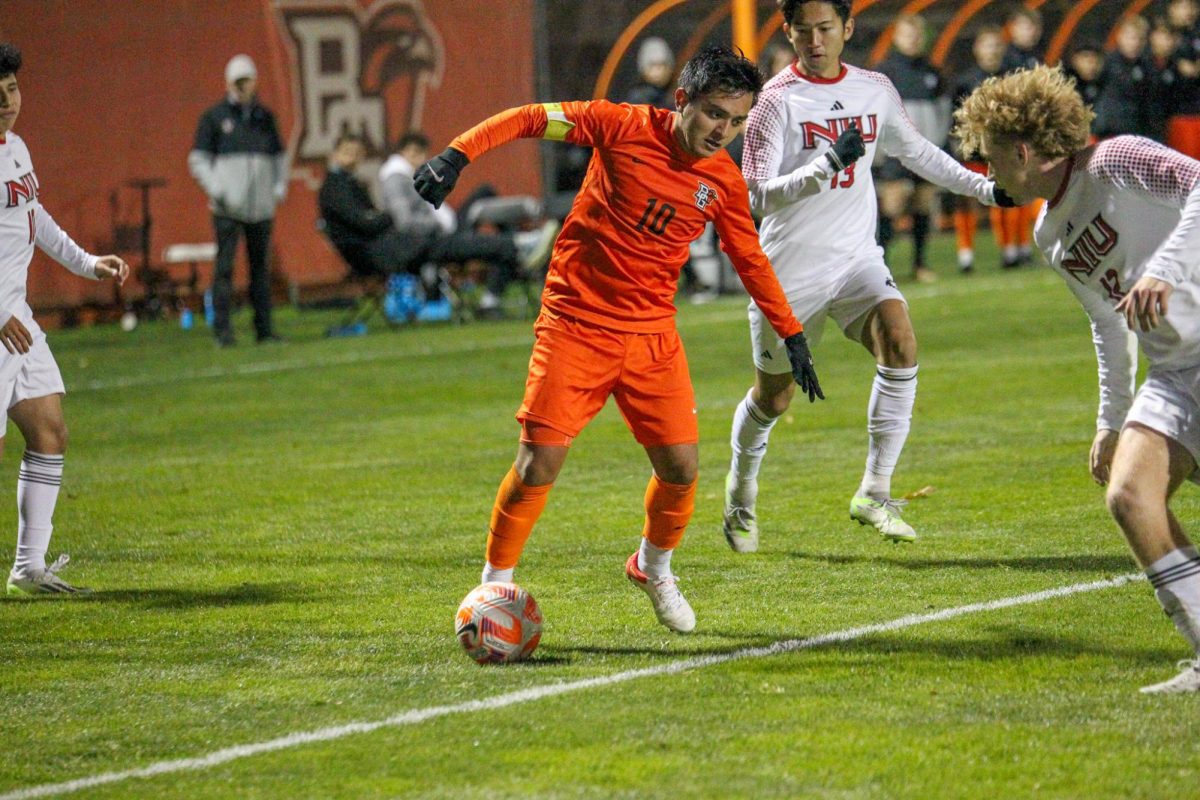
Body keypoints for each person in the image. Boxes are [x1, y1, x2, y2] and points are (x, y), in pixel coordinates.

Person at [414, 45, 822, 633]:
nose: (722, 132)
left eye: (736, 122)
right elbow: (530, 116)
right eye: (713, 114)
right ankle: (493, 586)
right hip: (576, 323)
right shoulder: (621, 125)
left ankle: (653, 566)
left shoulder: (723, 182)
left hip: (652, 333)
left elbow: (750, 259)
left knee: (682, 467)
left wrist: (792, 334)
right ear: (682, 100)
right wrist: (458, 154)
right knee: (538, 463)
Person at [723, 0, 1011, 552]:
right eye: (802, 30)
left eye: (825, 28)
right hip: (788, 270)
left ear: (848, 29)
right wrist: (824, 167)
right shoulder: (773, 103)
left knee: (900, 342)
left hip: (856, 258)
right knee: (774, 399)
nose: (814, 39)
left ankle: (874, 492)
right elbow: (755, 194)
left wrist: (984, 188)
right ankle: (740, 488)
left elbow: (918, 152)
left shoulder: (874, 89)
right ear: (788, 31)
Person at [955, 64, 1200, 694]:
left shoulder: (1119, 159)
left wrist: (1164, 270)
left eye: (990, 160)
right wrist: (1109, 422)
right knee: (1129, 496)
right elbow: (1105, 323)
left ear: (1023, 151)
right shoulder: (1047, 232)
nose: (989, 176)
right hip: (1174, 372)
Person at [0, 43, 130, 595]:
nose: (7, 102)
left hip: (17, 322)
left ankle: (29, 567)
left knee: (50, 431)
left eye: (11, 90)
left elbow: (35, 216)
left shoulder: (17, 148)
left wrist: (85, 262)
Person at [379, 131, 556, 315]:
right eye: (414, 152)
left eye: (422, 153)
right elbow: (405, 221)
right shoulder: (395, 179)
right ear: (402, 153)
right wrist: (436, 225)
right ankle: (524, 237)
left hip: (445, 228)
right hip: (434, 239)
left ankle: (523, 238)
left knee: (485, 192)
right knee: (497, 237)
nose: (419, 158)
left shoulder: (412, 174)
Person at [188, 55, 287, 347]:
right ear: (229, 83)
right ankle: (223, 331)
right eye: (238, 81)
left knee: (260, 270)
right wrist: (218, 191)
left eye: (248, 80)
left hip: (260, 208)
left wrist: (277, 187)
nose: (244, 87)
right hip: (227, 209)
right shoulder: (215, 118)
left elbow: (279, 158)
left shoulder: (265, 118)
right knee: (225, 269)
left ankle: (264, 329)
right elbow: (198, 161)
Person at [874, 13, 949, 284]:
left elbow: (943, 111)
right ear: (896, 38)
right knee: (892, 205)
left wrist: (938, 146)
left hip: (925, 152)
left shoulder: (933, 71)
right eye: (908, 34)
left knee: (923, 204)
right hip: (895, 153)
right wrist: (881, 151)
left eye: (917, 35)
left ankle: (920, 264)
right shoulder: (884, 71)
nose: (913, 40)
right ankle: (880, 267)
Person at [951, 26, 1014, 271]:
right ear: (977, 50)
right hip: (974, 151)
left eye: (996, 45)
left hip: (1004, 151)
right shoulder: (965, 80)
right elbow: (955, 117)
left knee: (1006, 199)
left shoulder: (1011, 79)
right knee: (968, 203)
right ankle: (965, 255)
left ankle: (1009, 251)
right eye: (987, 45)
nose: (992, 51)